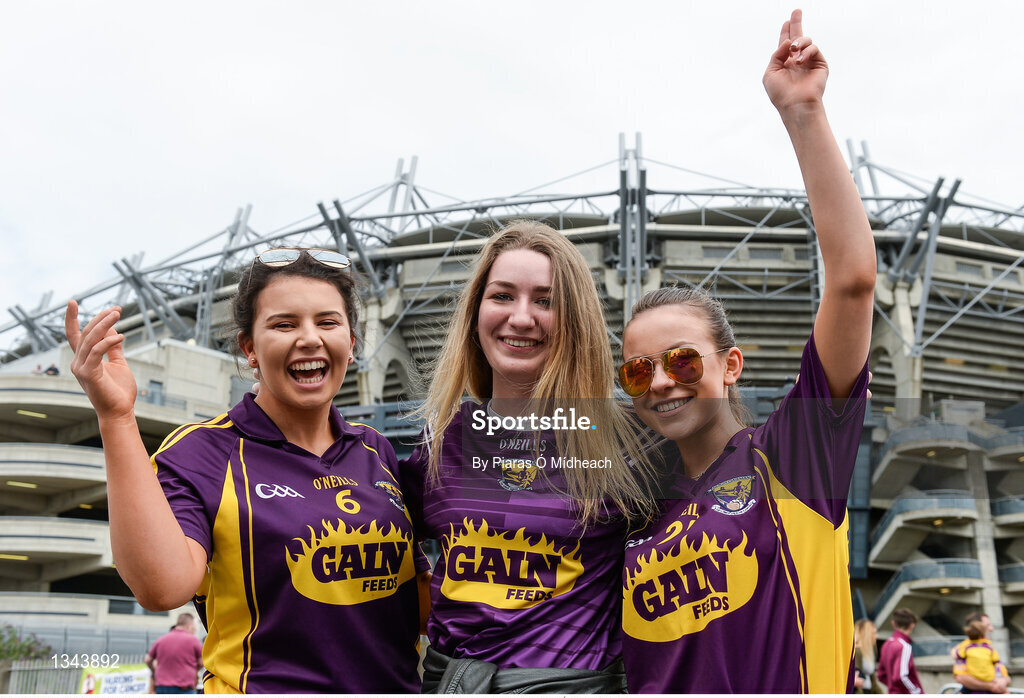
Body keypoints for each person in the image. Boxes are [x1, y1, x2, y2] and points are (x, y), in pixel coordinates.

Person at [617, 10, 876, 693]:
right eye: (639, 369)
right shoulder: (636, 508)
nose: (660, 383)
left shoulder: (795, 457)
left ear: (732, 364)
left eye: (683, 360)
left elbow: (852, 282)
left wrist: (803, 110)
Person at [65, 247, 427, 693]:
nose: (310, 338)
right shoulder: (202, 451)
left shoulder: (374, 450)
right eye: (284, 324)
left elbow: (418, 598)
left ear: (351, 345)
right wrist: (116, 418)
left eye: (328, 322)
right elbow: (162, 589)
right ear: (250, 349)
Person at [400, 220, 655, 692]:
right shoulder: (442, 441)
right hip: (453, 684)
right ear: (476, 313)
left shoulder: (627, 440)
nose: (521, 317)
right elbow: (368, 536)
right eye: (502, 296)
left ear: (576, 319)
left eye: (545, 300)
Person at [144, 613, 203, 694]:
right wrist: (193, 669)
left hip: (161, 687)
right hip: (183, 689)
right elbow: (202, 662)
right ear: (189, 625)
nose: (194, 631)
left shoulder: (161, 640)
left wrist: (154, 671)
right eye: (194, 628)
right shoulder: (193, 640)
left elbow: (147, 660)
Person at [954, 614, 1010, 693]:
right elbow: (961, 677)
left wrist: (1003, 681)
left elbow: (1004, 674)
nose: (991, 629)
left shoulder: (988, 647)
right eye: (987, 625)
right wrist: (991, 686)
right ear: (976, 627)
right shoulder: (964, 648)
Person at [877, 608, 924, 694]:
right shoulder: (904, 646)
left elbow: (881, 675)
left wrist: (893, 687)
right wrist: (917, 691)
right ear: (911, 626)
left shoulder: (886, 644)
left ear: (893, 623)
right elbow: (902, 676)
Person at [854, 618, 883, 694]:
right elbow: (857, 679)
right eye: (874, 633)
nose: (876, 636)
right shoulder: (857, 651)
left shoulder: (869, 652)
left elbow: (873, 681)